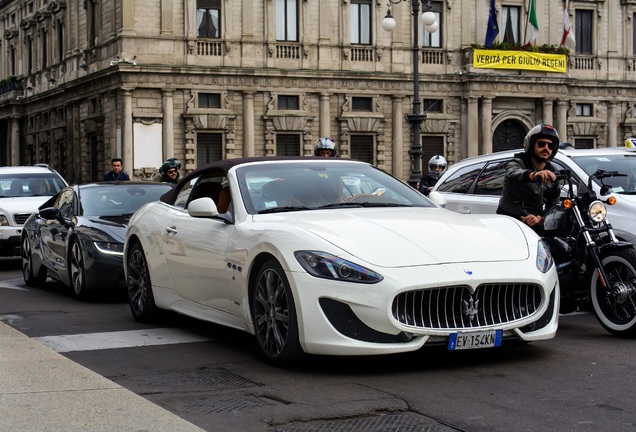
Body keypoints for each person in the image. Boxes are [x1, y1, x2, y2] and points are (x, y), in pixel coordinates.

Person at [497, 124, 561, 232]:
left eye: (550, 146)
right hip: (510, 222)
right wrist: (534, 175)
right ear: (531, 144)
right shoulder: (517, 163)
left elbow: (553, 205)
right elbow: (513, 173)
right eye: (541, 144)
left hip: (535, 225)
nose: (546, 148)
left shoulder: (553, 171)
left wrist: (540, 218)